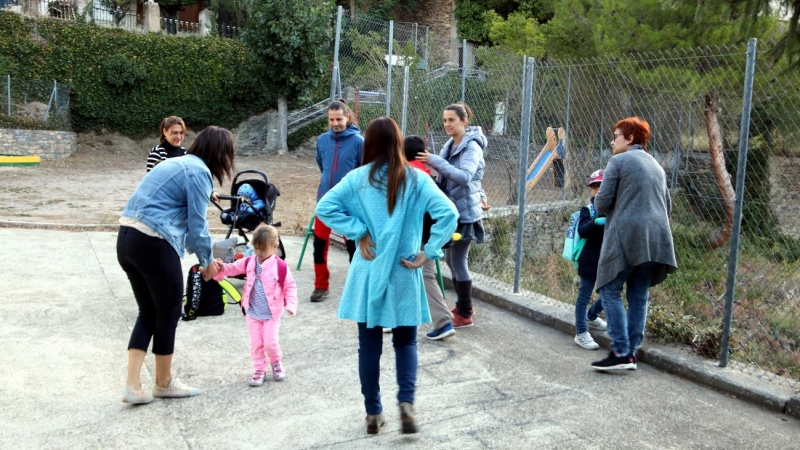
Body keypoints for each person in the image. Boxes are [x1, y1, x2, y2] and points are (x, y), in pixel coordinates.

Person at [315, 117, 458, 435]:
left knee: (368, 345)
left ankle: (372, 413)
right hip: (406, 268)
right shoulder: (417, 179)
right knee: (406, 341)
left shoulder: (356, 178)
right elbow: (449, 212)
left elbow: (324, 207)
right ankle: (406, 403)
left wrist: (358, 231)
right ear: (397, 142)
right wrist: (430, 250)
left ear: (368, 144)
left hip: (368, 269)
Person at [118, 126, 235, 404]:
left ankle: (133, 385)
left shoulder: (176, 163)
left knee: (148, 312)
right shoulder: (199, 172)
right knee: (169, 312)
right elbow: (197, 226)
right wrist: (207, 263)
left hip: (126, 238)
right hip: (153, 241)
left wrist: (205, 257)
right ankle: (164, 383)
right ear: (220, 153)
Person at [591, 117, 677, 371]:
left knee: (608, 288)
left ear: (630, 138)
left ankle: (619, 351)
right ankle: (631, 353)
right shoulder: (657, 166)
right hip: (657, 239)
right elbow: (667, 206)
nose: (612, 140)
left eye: (616, 135)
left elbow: (601, 203)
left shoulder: (618, 161)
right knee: (639, 295)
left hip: (627, 235)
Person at [416, 102, 487, 329]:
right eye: (445, 120)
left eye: (452, 120)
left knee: (458, 261)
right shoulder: (452, 143)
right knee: (451, 260)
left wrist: (433, 160)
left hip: (465, 214)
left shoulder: (471, 147)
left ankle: (465, 313)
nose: (447, 124)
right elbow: (474, 180)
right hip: (454, 210)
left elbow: (465, 177)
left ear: (463, 121)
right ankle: (464, 305)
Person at [212, 224, 297, 386]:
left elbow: (290, 286)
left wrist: (291, 304)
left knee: (270, 343)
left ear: (275, 247)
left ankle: (276, 362)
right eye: (255, 248)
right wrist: (221, 267)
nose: (258, 253)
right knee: (256, 343)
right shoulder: (250, 261)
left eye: (262, 250)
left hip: (271, 314)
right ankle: (259, 369)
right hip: (252, 312)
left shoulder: (280, 266)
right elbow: (232, 269)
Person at [311, 99, 363, 302]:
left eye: (338, 119)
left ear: (347, 117)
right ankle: (320, 286)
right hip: (325, 203)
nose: (335, 123)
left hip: (349, 205)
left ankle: (358, 287)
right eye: (331, 119)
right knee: (319, 246)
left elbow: (363, 170)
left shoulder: (359, 141)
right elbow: (321, 165)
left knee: (353, 247)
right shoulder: (322, 140)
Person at [405, 134, 456, 340]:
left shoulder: (405, 177)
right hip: (430, 238)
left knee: (406, 273)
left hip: (412, 237)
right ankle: (442, 322)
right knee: (424, 276)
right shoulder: (431, 179)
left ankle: (442, 323)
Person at [572, 170, 608, 350]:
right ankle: (581, 332)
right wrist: (597, 220)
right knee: (584, 294)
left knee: (610, 293)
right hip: (589, 259)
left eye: (601, 185)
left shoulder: (614, 207)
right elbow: (583, 230)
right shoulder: (587, 209)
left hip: (609, 260)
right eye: (594, 186)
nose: (598, 189)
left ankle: (591, 316)